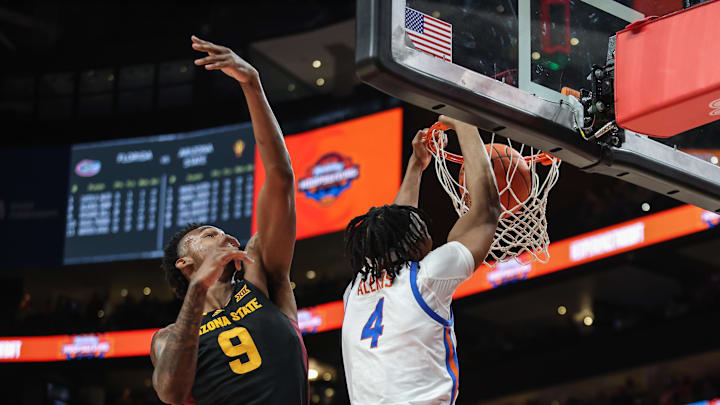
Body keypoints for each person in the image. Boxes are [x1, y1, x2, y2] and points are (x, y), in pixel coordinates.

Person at [150, 36, 306, 405]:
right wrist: (198, 290)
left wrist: (251, 84)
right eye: (209, 235)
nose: (226, 237)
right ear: (185, 264)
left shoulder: (260, 277)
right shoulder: (167, 337)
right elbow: (172, 392)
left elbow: (281, 177)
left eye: (224, 232)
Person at [341, 116, 501, 404]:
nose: (429, 232)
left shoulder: (355, 290)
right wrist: (465, 123)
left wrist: (416, 165)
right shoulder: (426, 278)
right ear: (413, 241)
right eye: (424, 228)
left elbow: (397, 227)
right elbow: (487, 211)